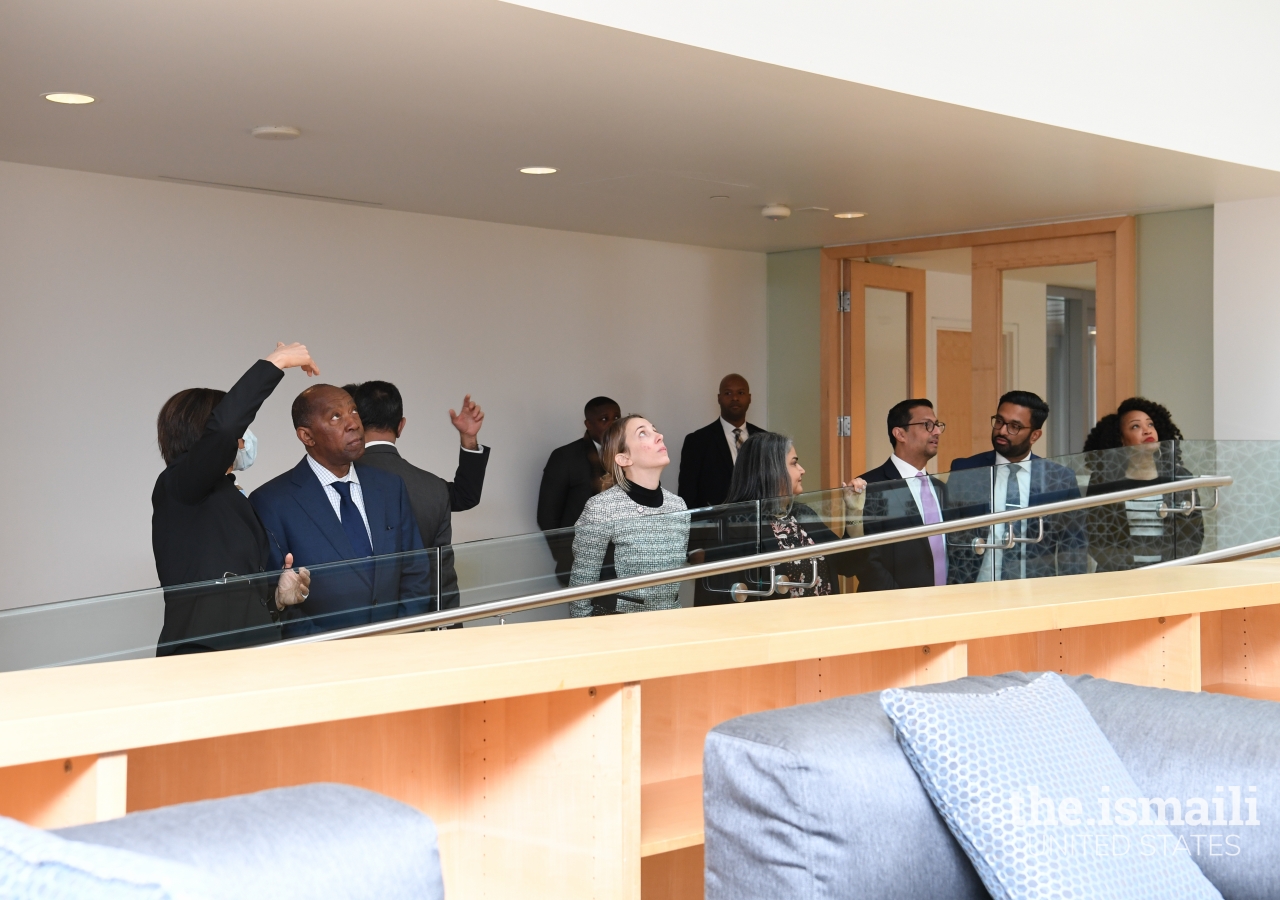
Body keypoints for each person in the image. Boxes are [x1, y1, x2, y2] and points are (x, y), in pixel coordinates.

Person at [151, 343, 316, 655]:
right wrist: (276, 362)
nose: (245, 437)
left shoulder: (226, 494)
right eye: (242, 428)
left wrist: (277, 599)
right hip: (202, 653)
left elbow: (234, 585)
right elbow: (225, 428)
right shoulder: (179, 483)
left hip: (246, 650)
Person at [250, 384, 435, 637]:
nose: (353, 424)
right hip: (322, 659)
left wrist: (398, 635)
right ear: (307, 436)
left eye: (354, 411)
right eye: (336, 416)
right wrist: (333, 650)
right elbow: (279, 598)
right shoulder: (272, 501)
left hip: (396, 648)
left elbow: (415, 571)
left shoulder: (389, 487)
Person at [346, 381, 489, 612]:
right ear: (401, 426)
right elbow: (466, 496)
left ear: (354, 423)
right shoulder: (431, 487)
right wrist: (469, 440)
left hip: (354, 625)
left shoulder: (335, 481)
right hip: (423, 621)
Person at [701, 432, 867, 602]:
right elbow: (721, 598)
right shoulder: (732, 525)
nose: (802, 470)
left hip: (821, 622)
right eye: (794, 463)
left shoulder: (802, 513)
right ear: (771, 469)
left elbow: (849, 563)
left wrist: (854, 511)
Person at [946, 391, 1086, 582]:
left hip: (1034, 594)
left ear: (1034, 435)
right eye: (999, 421)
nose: (1002, 431)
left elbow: (1073, 547)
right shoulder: (966, 470)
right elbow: (947, 539)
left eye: (1014, 426)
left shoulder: (1058, 478)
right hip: (973, 591)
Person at [569, 416, 690, 616]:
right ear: (624, 458)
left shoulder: (678, 505)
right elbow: (580, 589)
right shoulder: (601, 508)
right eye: (643, 433)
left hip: (671, 624)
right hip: (618, 630)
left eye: (655, 429)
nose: (659, 436)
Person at [1083, 397, 1204, 570]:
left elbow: (1193, 535)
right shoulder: (1104, 480)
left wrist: (1166, 570)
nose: (1147, 431)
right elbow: (1096, 537)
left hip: (1170, 575)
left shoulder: (1179, 477)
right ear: (1121, 440)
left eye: (1150, 425)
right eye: (1135, 426)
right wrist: (1131, 574)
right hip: (1119, 578)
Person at [855, 399, 949, 591]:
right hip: (892, 608)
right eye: (927, 425)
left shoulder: (941, 488)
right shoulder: (870, 486)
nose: (937, 431)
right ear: (900, 434)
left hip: (943, 605)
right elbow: (866, 560)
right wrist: (900, 601)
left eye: (937, 425)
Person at [537, 396, 622, 585]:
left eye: (617, 418)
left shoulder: (631, 454)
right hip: (581, 560)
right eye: (604, 419)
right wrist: (567, 555)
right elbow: (547, 516)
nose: (612, 424)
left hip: (626, 561)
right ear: (588, 424)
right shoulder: (565, 457)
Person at [677, 374, 765, 509]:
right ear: (719, 398)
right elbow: (687, 495)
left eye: (740, 393)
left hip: (760, 522)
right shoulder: (697, 442)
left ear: (749, 398)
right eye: (728, 393)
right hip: (715, 525)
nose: (735, 398)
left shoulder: (765, 439)